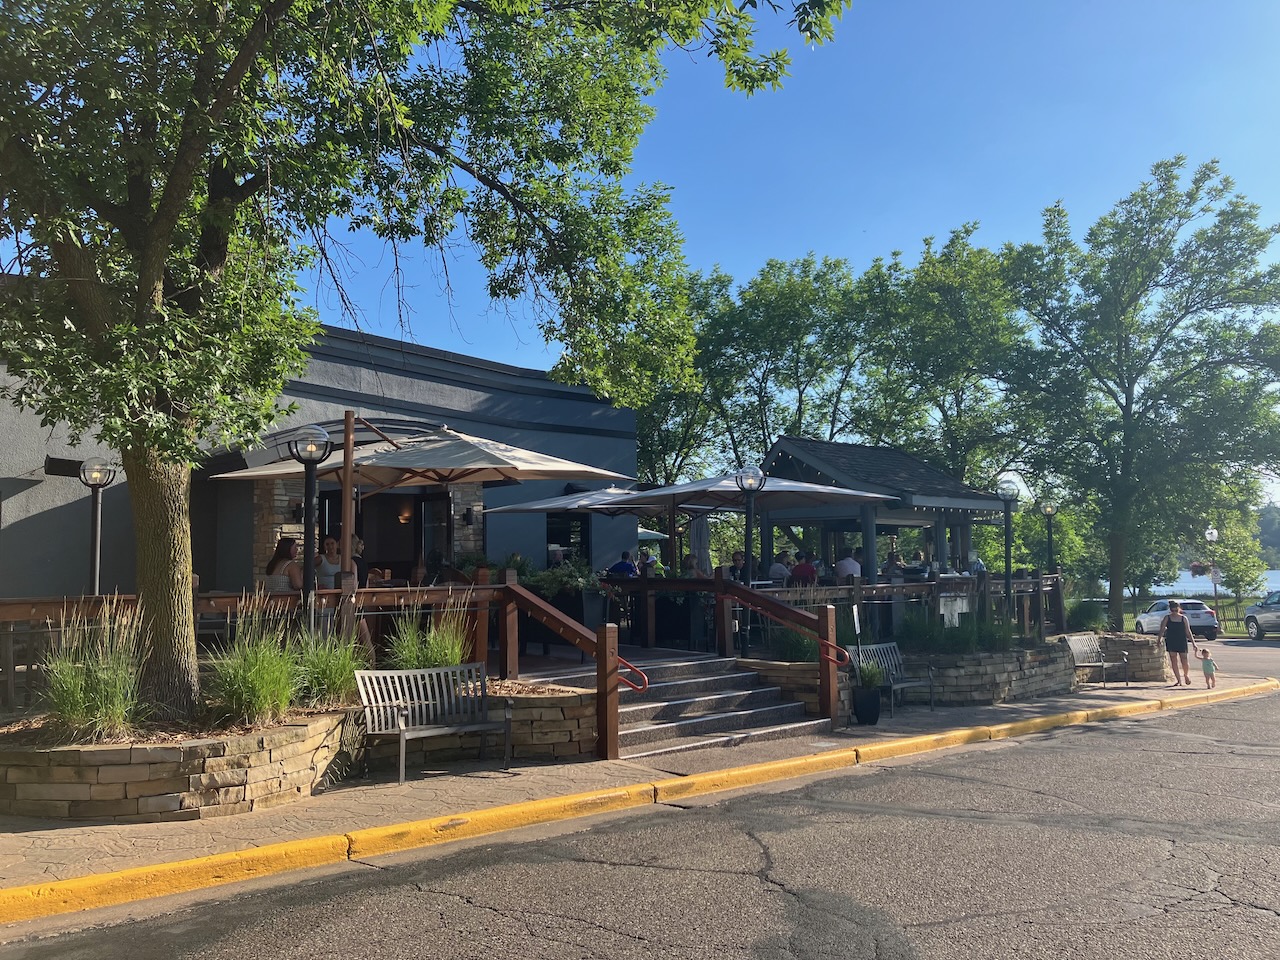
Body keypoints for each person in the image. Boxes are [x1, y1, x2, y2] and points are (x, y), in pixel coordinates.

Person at [1157, 599, 1197, 686]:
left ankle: (1186, 675)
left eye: (1176, 610)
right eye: (1172, 610)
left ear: (1179, 609)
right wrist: (1159, 639)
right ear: (1170, 610)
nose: (1174, 612)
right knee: (1174, 660)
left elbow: (1188, 631)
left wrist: (1194, 643)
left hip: (1181, 640)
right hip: (1171, 640)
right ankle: (1179, 680)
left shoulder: (1183, 618)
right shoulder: (1167, 618)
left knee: (1184, 660)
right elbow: (1162, 629)